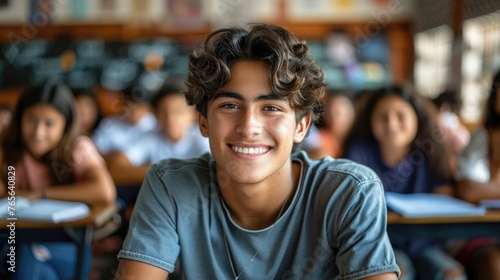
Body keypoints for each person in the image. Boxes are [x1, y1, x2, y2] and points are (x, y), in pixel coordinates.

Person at [115, 23, 400, 279]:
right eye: (229, 105)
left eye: (271, 108)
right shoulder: (171, 185)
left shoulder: (348, 192)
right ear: (203, 122)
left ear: (302, 126)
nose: (249, 127)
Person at [344, 85, 465, 280]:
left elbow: (445, 194)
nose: (391, 124)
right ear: (370, 121)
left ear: (417, 117)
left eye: (401, 116)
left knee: (451, 274)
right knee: (399, 272)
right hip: (379, 243)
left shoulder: (431, 150)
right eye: (382, 117)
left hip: (424, 242)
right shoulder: (359, 152)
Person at [0, 80, 116, 279]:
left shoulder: (77, 148)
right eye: (32, 120)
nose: (38, 132)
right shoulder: (7, 148)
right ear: (19, 119)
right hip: (13, 242)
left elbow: (104, 191)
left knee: (28, 255)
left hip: (67, 246)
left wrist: (40, 194)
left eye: (50, 123)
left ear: (66, 125)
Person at [107, 77, 210, 186]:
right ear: (155, 115)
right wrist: (163, 172)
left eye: (179, 111)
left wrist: (156, 172)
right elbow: (116, 169)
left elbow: (211, 173)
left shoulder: (202, 139)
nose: (171, 119)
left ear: (193, 115)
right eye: (164, 112)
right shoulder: (152, 138)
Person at [453, 69, 500, 279]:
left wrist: (490, 189)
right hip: (478, 234)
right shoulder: (482, 136)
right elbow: (468, 190)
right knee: (493, 263)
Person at [91, 79, 157, 160]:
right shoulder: (109, 123)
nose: (134, 110)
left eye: (139, 105)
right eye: (131, 104)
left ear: (148, 108)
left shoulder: (157, 126)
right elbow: (95, 152)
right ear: (124, 104)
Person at [317, 90, 356, 158]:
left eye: (338, 113)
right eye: (329, 112)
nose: (333, 117)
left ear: (352, 114)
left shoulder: (360, 143)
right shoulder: (319, 138)